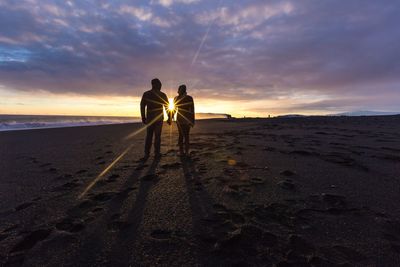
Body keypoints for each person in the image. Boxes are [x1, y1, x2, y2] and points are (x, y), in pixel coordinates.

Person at [140, 78, 169, 159]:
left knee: (151, 136)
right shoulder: (160, 94)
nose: (160, 86)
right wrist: (169, 117)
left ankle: (150, 153)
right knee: (155, 136)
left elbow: (142, 106)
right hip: (156, 119)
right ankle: (153, 153)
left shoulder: (147, 94)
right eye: (159, 84)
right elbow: (167, 107)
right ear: (154, 84)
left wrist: (143, 117)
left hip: (153, 118)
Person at [169, 84, 195, 156]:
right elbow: (174, 109)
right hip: (180, 119)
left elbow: (192, 110)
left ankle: (186, 151)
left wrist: (192, 120)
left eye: (179, 90)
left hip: (186, 119)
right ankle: (182, 151)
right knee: (181, 135)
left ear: (182, 90)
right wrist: (171, 117)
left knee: (186, 135)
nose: (178, 91)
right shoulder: (176, 98)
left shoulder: (189, 98)